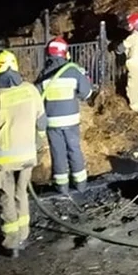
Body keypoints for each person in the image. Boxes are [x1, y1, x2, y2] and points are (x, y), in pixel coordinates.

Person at [0, 50, 46, 258]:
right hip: (27, 156)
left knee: (5, 197)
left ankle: (11, 242)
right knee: (21, 193)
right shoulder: (31, 90)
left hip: (3, 160)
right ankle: (24, 234)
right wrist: (39, 143)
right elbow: (42, 121)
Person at [35, 36, 96, 195]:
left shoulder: (44, 73)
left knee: (58, 153)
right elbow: (87, 93)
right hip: (71, 121)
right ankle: (81, 185)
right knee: (74, 150)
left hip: (52, 123)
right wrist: (85, 80)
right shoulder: (73, 71)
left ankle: (62, 187)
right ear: (65, 53)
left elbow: (37, 96)